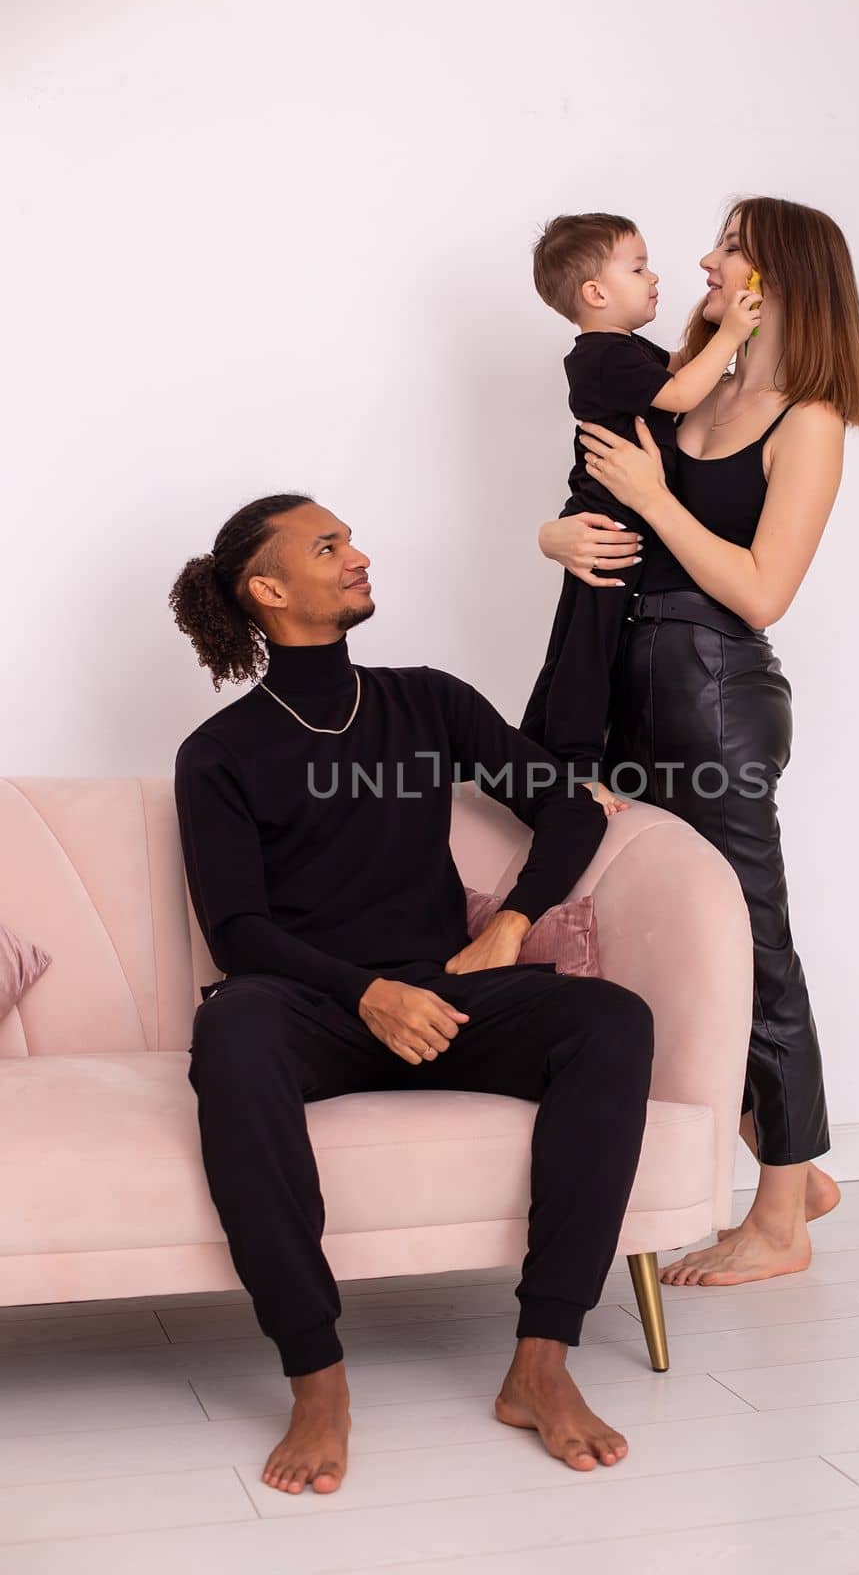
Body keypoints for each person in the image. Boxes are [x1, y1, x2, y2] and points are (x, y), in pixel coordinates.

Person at [167, 493, 655, 1493]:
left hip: (446, 997)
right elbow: (238, 932)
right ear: (268, 590)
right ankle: (317, 1379)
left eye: (348, 539)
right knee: (232, 1031)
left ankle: (539, 1362)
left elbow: (568, 813)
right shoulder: (217, 753)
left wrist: (511, 925)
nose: (358, 556)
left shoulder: (426, 700)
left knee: (610, 1020)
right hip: (310, 1010)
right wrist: (364, 994)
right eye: (328, 545)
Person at [534, 195, 859, 1289]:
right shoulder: (695, 384)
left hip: (711, 687)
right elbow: (607, 500)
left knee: (752, 946)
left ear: (771, 276)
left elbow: (761, 589)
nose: (699, 258)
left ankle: (780, 1217)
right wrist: (553, 528)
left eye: (726, 247)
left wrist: (655, 498)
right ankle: (781, 1166)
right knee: (642, 928)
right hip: (624, 678)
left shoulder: (808, 417)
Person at [519, 212, 762, 805]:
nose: (655, 276)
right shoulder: (598, 354)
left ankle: (532, 753)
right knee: (587, 647)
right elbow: (679, 393)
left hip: (625, 520)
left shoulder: (625, 350)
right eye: (638, 267)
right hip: (608, 523)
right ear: (596, 294)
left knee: (578, 639)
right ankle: (574, 767)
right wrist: (730, 335)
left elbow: (679, 370)